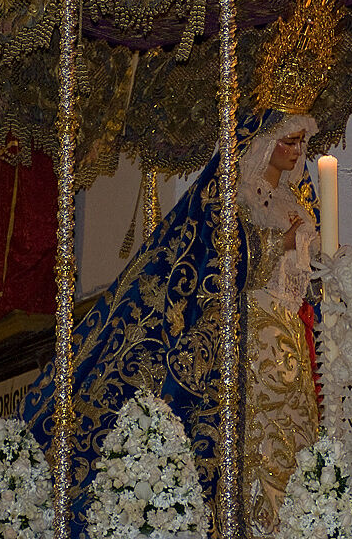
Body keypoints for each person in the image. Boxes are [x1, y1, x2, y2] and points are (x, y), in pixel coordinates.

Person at [19, 107, 323, 537]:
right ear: (259, 142)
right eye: (287, 141)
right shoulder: (238, 197)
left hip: (289, 338)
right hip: (250, 336)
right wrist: (280, 241)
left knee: (294, 441)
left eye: (300, 142)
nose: (296, 151)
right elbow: (220, 261)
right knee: (255, 444)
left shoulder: (297, 201)